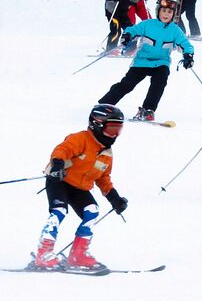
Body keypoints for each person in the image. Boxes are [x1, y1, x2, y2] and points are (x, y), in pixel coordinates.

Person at [32, 104, 129, 270]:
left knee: (92, 211)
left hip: (80, 189)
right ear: (97, 125)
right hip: (60, 181)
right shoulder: (81, 139)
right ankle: (44, 252)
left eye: (118, 130)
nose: (115, 135)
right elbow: (63, 149)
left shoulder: (106, 153)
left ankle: (78, 255)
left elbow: (103, 178)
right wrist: (57, 164)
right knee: (59, 211)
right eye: (112, 129)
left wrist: (114, 198)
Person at [98, 0, 195, 121]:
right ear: (158, 11)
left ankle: (148, 110)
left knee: (159, 83)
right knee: (127, 84)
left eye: (170, 12)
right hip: (142, 61)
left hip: (161, 63)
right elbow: (133, 30)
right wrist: (128, 35)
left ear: (174, 15)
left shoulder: (175, 30)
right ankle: (105, 104)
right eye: (163, 11)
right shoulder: (148, 24)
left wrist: (188, 55)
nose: (166, 14)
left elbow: (185, 44)